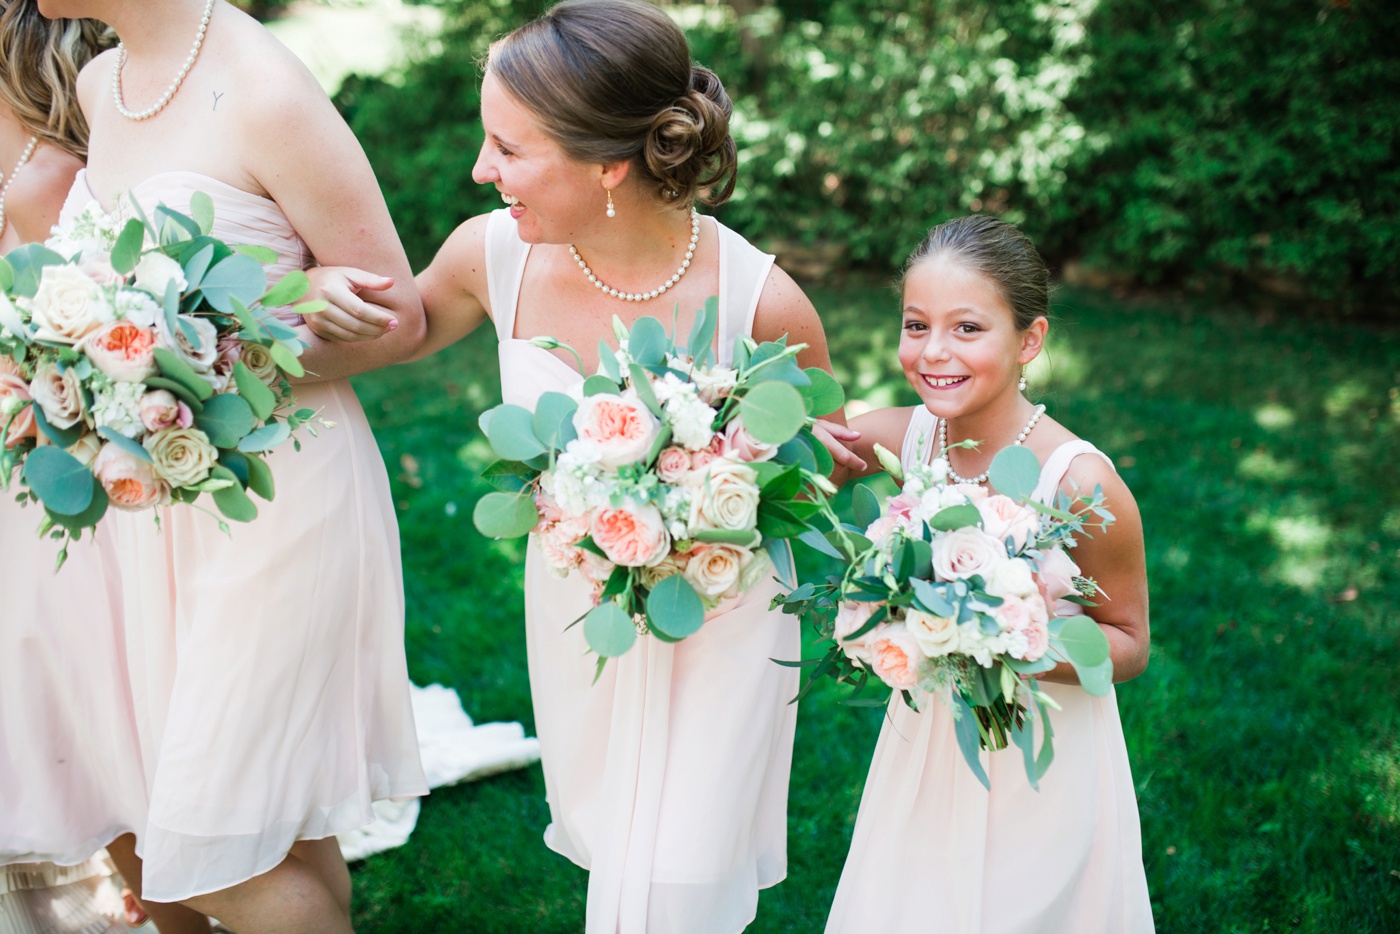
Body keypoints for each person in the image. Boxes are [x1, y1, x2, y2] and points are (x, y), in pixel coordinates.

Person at [308, 2, 860, 929]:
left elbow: (826, 462)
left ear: (607, 164)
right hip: (578, 604)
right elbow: (381, 337)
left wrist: (703, 477)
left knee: (682, 876)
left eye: (507, 148)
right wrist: (316, 290)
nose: (482, 170)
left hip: (721, 612)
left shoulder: (760, 297)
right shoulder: (490, 256)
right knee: (615, 845)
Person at [36, 0, 431, 930]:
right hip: (164, 507)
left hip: (278, 496)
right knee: (268, 822)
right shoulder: (102, 80)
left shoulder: (264, 91)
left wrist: (193, 369)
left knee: (206, 851)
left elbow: (402, 319)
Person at [825, 214, 1154, 932]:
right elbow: (795, 451)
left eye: (967, 328)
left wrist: (1012, 642)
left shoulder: (1079, 482)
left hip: (1046, 762)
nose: (933, 351)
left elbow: (1128, 642)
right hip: (930, 741)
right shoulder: (901, 436)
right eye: (916, 325)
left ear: (1030, 339)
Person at [0, 4, 160, 930]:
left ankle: (167, 900)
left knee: (101, 715)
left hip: (54, 478)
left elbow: (75, 338)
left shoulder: (52, 181)